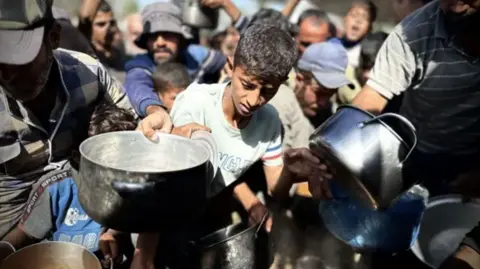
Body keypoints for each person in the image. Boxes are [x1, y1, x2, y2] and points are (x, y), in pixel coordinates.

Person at [131, 24, 327, 269]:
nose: (254, 101)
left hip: (204, 222)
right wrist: (143, 255)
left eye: (268, 91)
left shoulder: (269, 122)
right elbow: (161, 185)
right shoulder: (196, 103)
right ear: (231, 65)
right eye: (248, 85)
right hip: (160, 225)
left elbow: (276, 188)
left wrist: (290, 169)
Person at [0, 0, 171, 240]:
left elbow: (135, 136)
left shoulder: (89, 74)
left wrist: (155, 112)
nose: (7, 74)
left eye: (19, 58)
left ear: (53, 38)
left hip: (82, 229)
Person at [2, 103, 138, 267]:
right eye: (104, 160)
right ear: (77, 157)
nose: (115, 169)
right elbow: (25, 233)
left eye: (124, 160)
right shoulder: (55, 188)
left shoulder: (134, 186)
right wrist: (5, 249)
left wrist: (114, 233)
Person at [124, 2, 226, 118]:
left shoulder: (195, 56)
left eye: (167, 35)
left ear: (180, 38)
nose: (160, 43)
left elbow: (228, 63)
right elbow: (138, 86)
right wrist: (155, 110)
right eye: (153, 36)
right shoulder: (142, 65)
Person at [78, 0, 126, 72]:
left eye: (111, 23)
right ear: (89, 27)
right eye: (101, 24)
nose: (108, 28)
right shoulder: (84, 55)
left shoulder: (118, 54)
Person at [341, 0, 377, 68]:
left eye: (365, 18)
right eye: (354, 15)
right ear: (345, 19)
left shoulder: (370, 56)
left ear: (370, 27)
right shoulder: (329, 46)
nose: (358, 20)